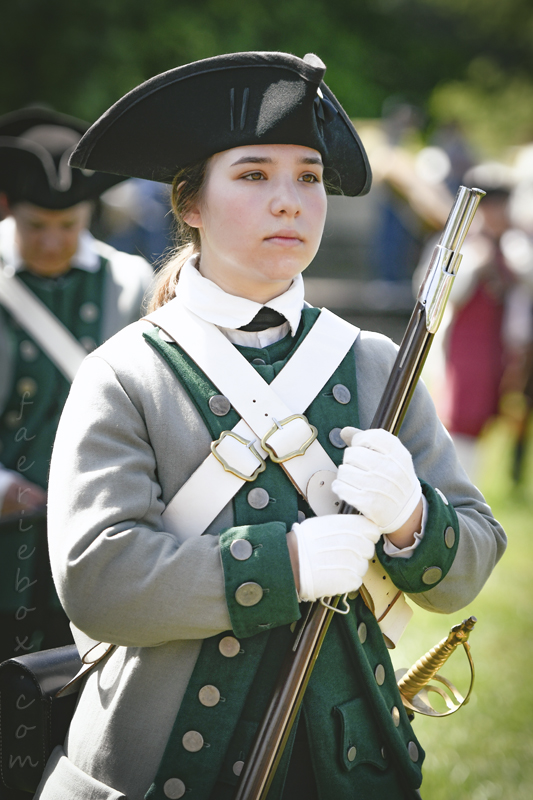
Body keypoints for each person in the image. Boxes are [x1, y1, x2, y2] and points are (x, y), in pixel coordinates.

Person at [35, 53, 505, 800]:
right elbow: (98, 582)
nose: (289, 201)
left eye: (308, 177)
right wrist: (280, 564)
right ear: (190, 204)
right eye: (253, 175)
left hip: (347, 764)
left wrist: (413, 517)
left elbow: (470, 565)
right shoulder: (125, 374)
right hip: (161, 763)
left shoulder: (376, 363)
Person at [0, 107, 154, 662]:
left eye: (68, 227)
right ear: (7, 209)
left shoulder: (129, 280)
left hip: (93, 529)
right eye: (35, 226)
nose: (51, 243)